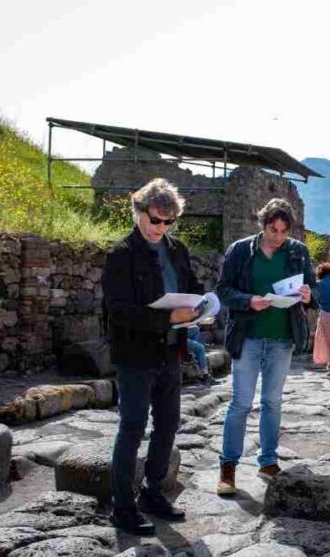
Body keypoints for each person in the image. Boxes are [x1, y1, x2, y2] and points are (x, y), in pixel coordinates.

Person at [102, 178, 204, 535]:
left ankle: (153, 492)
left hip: (171, 350)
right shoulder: (120, 255)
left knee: (169, 424)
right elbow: (118, 311)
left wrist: (200, 306)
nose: (161, 228)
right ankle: (122, 507)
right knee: (132, 428)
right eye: (156, 219)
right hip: (134, 354)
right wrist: (166, 318)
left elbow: (191, 286)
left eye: (168, 221)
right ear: (138, 210)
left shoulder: (177, 249)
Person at [215, 198, 316, 495]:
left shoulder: (298, 252)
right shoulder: (239, 250)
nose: (279, 237)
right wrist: (249, 301)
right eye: (274, 230)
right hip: (247, 336)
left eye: (284, 231)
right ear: (262, 225)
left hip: (282, 338)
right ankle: (228, 467)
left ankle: (268, 461)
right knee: (241, 403)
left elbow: (314, 288)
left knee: (272, 402)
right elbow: (223, 289)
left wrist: (310, 295)